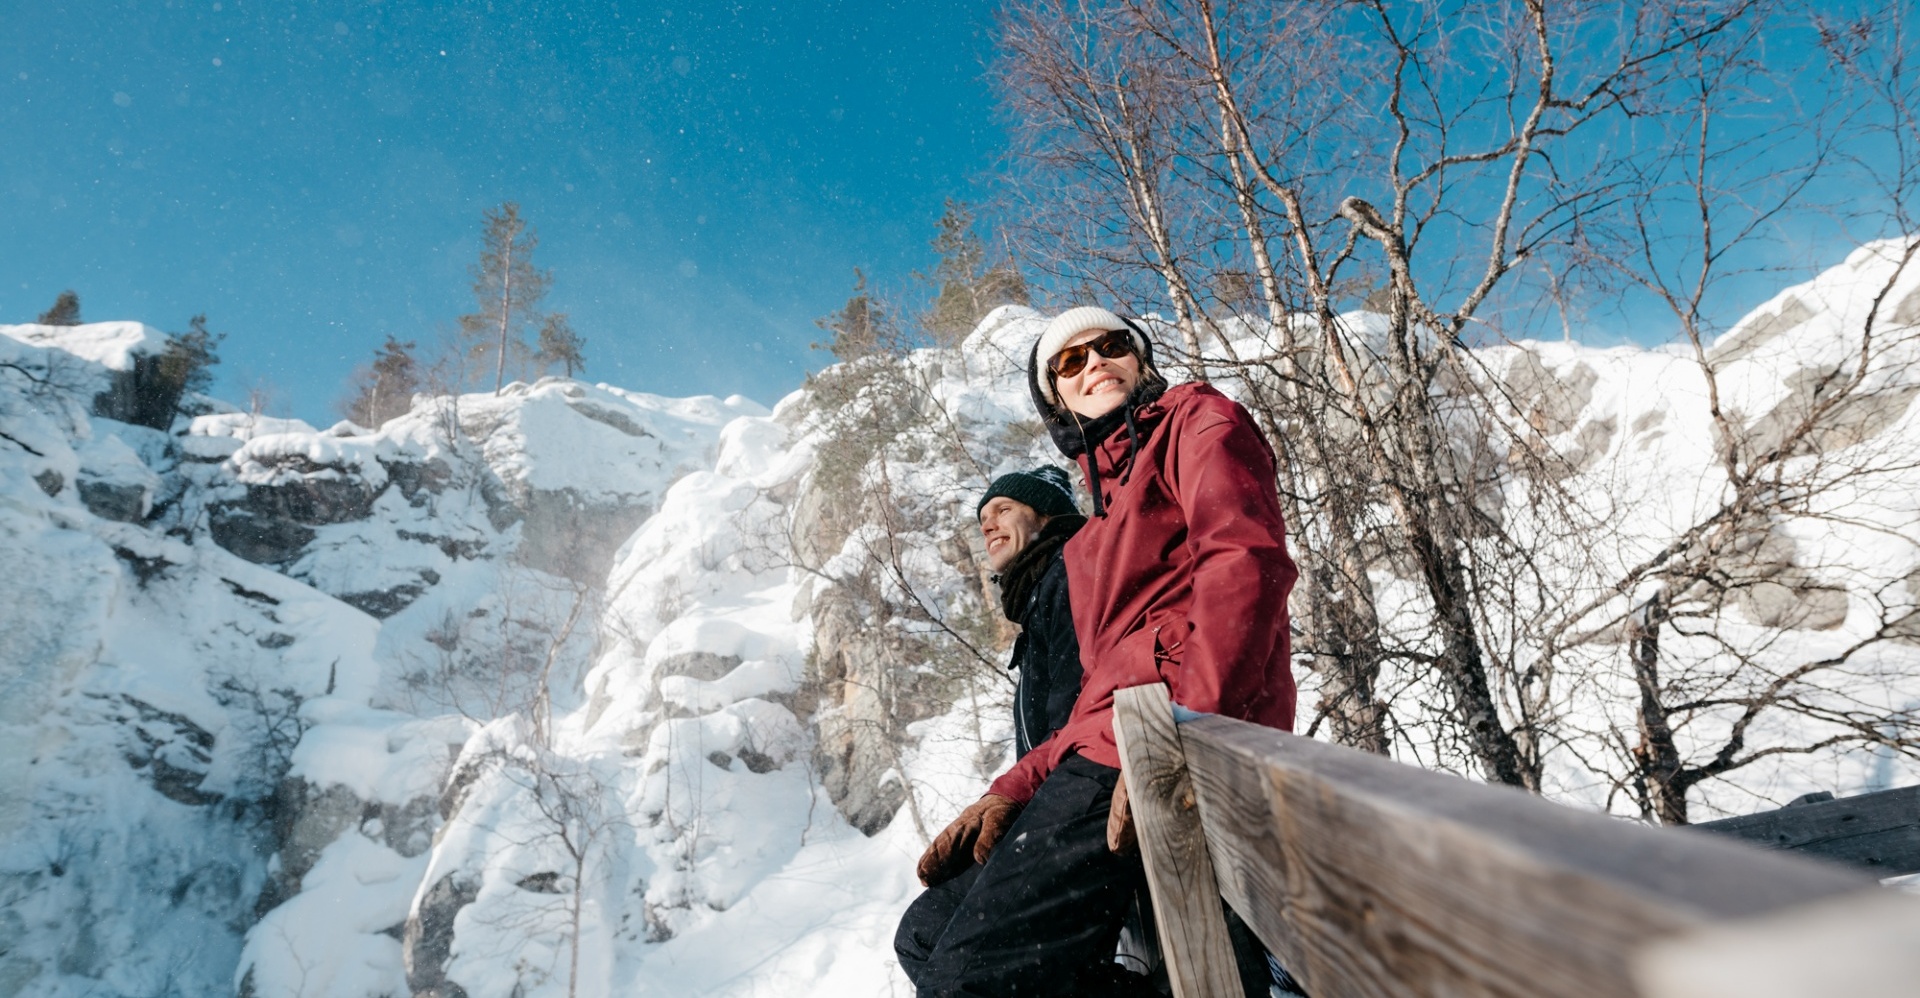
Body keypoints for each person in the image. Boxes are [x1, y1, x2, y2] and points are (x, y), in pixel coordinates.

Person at [904, 306, 1299, 997]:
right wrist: (1012, 788)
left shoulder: (1196, 421)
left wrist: (1189, 735)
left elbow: (1244, 566)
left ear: (1139, 358)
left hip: (1166, 738)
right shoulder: (1097, 532)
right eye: (1070, 362)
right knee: (927, 935)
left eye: (1111, 346)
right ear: (1056, 399)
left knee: (965, 981)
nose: (1095, 364)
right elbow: (1093, 701)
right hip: (1112, 746)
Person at [894, 467, 1088, 988]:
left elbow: (1077, 717)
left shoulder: (1068, 574)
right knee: (926, 937)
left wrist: (1018, 802)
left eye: (1003, 509)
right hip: (1056, 798)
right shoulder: (1042, 590)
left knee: (942, 951)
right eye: (982, 518)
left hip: (1080, 800)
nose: (988, 524)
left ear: (1046, 515)